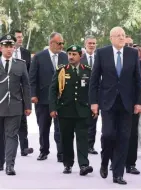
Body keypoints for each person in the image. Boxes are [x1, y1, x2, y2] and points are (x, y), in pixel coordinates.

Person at [89, 26, 141, 185]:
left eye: (123, 35)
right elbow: (94, 80)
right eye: (118, 35)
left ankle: (118, 174)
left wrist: (139, 102)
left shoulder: (133, 54)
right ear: (111, 38)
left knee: (124, 137)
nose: (121, 38)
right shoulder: (102, 53)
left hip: (127, 103)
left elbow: (138, 80)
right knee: (108, 134)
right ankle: (105, 161)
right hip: (107, 102)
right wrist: (93, 102)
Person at [49, 45, 94, 176]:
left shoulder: (87, 71)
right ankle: (68, 164)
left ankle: (84, 165)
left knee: (82, 138)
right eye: (69, 54)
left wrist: (94, 106)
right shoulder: (61, 70)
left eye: (74, 54)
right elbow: (53, 90)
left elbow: (93, 90)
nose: (71, 56)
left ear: (81, 56)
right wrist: (53, 108)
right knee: (66, 139)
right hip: (65, 110)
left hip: (82, 110)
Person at [29, 32, 67, 162]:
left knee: (60, 127)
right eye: (59, 43)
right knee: (43, 127)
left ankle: (61, 153)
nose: (61, 46)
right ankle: (44, 150)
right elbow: (32, 78)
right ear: (51, 43)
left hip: (60, 99)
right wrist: (33, 95)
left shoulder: (65, 57)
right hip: (42, 99)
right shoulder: (39, 57)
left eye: (62, 43)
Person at [0, 34, 31, 175]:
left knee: (11, 135)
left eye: (11, 46)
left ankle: (9, 165)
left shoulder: (21, 64)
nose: (8, 49)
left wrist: (28, 105)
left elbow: (26, 85)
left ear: (14, 48)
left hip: (15, 106)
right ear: (1, 48)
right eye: (6, 46)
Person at [13, 30, 34, 156]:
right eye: (18, 37)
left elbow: (30, 74)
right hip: (8, 91)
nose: (20, 39)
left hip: (22, 91)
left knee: (23, 120)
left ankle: (24, 147)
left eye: (21, 37)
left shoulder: (26, 53)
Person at [80, 35, 99, 154]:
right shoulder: (80, 59)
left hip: (97, 95)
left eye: (93, 43)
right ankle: (82, 144)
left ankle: (90, 146)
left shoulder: (100, 58)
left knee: (93, 120)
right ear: (85, 45)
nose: (92, 45)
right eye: (89, 43)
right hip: (82, 94)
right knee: (82, 121)